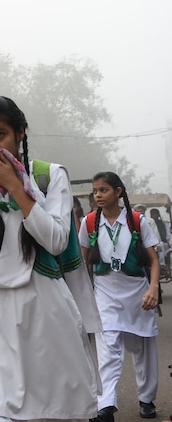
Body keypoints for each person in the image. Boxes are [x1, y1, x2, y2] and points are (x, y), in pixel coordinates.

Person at [0, 96, 100, 422]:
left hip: (44, 309)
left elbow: (58, 241)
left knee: (51, 409)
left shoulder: (50, 176)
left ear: (20, 133)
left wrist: (17, 189)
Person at [78, 172, 161, 422]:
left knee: (142, 349)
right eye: (95, 191)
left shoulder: (137, 221)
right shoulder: (89, 222)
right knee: (108, 348)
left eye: (104, 190)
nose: (98, 195)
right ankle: (106, 406)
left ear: (118, 192)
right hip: (105, 293)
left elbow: (154, 260)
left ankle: (146, 399)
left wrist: (153, 288)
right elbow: (82, 262)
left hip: (137, 293)